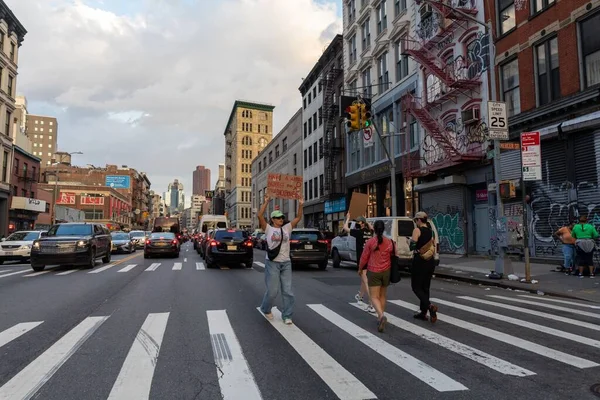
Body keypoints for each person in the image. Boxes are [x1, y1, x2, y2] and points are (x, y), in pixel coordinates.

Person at [257, 192, 303, 324]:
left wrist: (300, 204)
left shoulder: (287, 228)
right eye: (277, 218)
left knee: (288, 291)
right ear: (272, 219)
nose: (281, 219)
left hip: (286, 263)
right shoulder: (268, 229)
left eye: (282, 217)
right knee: (272, 291)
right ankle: (265, 308)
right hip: (272, 263)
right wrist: (266, 202)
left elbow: (299, 217)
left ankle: (287, 315)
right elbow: (259, 215)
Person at [359, 220, 394, 332]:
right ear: (384, 229)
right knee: (382, 295)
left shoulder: (370, 242)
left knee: (374, 297)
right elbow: (395, 255)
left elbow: (364, 257)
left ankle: (381, 315)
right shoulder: (390, 242)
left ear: (374, 228)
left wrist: (360, 269)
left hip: (374, 271)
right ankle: (380, 317)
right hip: (386, 271)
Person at [343, 212, 375, 313]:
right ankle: (360, 297)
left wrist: (347, 219)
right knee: (364, 279)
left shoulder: (358, 232)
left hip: (362, 259)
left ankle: (371, 304)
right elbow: (372, 227)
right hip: (371, 259)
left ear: (361, 223)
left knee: (366, 281)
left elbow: (345, 228)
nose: (357, 223)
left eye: (358, 222)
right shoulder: (370, 232)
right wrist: (366, 221)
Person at [410, 211, 438, 323]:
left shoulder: (417, 230)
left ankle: (429, 306)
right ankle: (423, 312)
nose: (416, 222)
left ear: (419, 220)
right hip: (430, 261)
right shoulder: (431, 231)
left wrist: (410, 241)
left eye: (416, 220)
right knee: (425, 287)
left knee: (416, 287)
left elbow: (412, 246)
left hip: (419, 261)